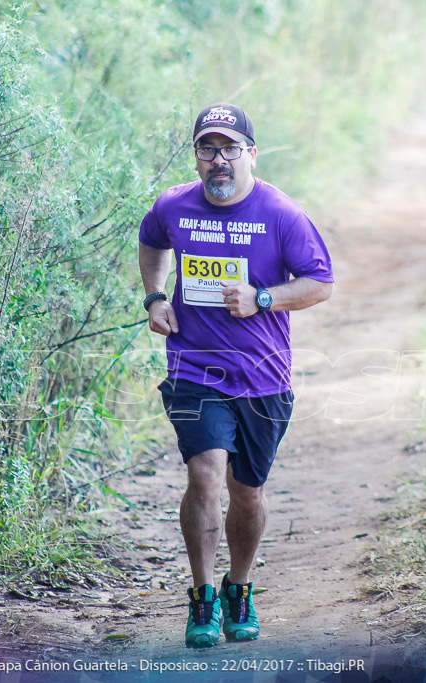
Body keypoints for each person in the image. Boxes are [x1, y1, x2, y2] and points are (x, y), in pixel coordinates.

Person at [138, 103, 335, 648]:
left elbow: (320, 282)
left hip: (263, 378)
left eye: (229, 148)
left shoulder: (282, 214)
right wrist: (156, 297)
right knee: (203, 474)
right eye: (207, 148)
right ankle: (202, 599)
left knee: (246, 494)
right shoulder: (174, 206)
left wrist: (263, 297)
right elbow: (152, 240)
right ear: (197, 157)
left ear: (251, 153)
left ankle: (238, 587)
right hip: (193, 367)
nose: (218, 160)